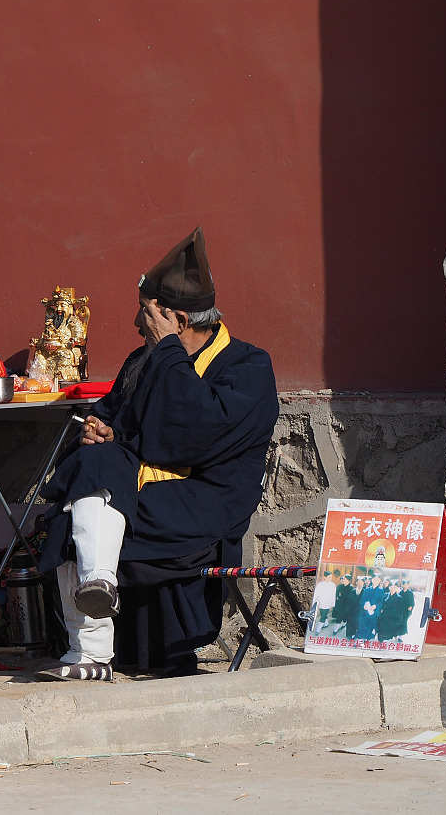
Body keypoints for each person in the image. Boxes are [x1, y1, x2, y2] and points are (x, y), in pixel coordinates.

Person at [35, 227, 278, 680]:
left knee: (88, 519)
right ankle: (93, 632)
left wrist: (169, 351)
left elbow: (197, 434)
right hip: (141, 490)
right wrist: (100, 430)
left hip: (205, 500)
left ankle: (95, 619)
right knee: (82, 488)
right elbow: (120, 424)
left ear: (177, 320)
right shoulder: (143, 360)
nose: (136, 325)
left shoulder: (248, 366)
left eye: (146, 315)